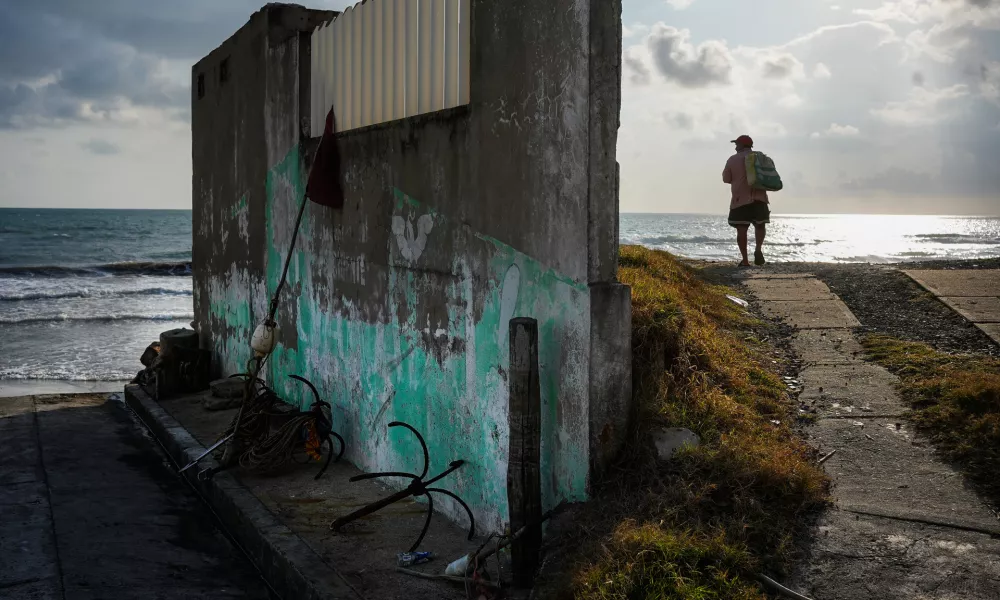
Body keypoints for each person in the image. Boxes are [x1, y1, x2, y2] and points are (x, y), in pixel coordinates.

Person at [722, 135, 770, 267]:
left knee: (742, 229)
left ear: (742, 145)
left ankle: (745, 260)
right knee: (760, 225)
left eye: (737, 144)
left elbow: (726, 179)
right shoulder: (761, 157)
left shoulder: (733, 159)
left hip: (740, 200)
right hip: (760, 197)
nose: (736, 146)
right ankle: (758, 249)